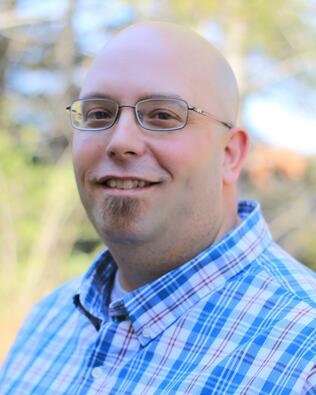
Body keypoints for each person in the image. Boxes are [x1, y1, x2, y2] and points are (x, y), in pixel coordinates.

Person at [0, 22, 315, 395]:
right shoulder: (46, 324)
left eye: (163, 115)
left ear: (231, 155)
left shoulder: (304, 357)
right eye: (99, 114)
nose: (121, 142)